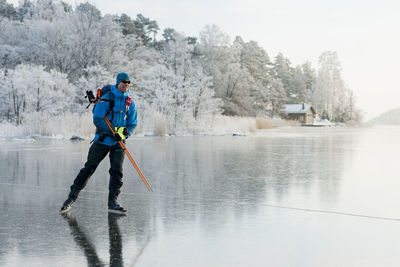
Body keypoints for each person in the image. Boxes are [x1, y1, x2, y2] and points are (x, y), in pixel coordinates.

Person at [60, 72, 137, 215]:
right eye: (124, 82)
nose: (127, 84)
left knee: (117, 172)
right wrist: (111, 131)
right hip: (102, 141)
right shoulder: (106, 100)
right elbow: (98, 119)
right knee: (89, 168)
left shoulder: (130, 103)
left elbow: (132, 123)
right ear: (118, 82)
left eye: (129, 82)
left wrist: (125, 133)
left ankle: (113, 203)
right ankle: (70, 199)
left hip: (118, 143)